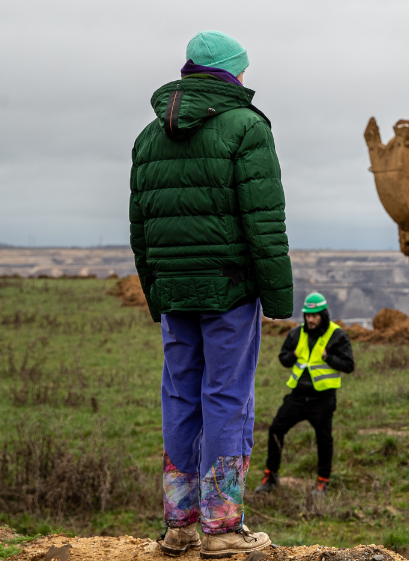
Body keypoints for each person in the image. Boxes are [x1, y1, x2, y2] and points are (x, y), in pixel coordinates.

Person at [130, 30, 293, 558]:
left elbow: (141, 228)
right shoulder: (248, 127)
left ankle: (179, 526)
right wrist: (278, 298)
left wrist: (155, 291)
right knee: (226, 399)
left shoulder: (149, 137)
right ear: (231, 74)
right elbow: (264, 221)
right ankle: (222, 531)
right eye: (243, 70)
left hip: (175, 292)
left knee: (179, 397)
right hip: (229, 290)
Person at [255, 292, 355, 495]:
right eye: (307, 315)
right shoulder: (296, 334)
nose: (310, 319)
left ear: (323, 314)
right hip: (297, 396)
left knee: (324, 439)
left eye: (315, 315)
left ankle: (322, 481)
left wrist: (328, 357)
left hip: (323, 399)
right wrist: (293, 355)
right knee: (275, 429)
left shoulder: (337, 335)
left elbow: (348, 365)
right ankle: (271, 476)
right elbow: (283, 358)